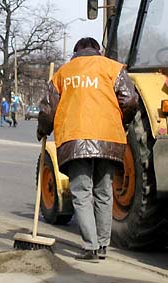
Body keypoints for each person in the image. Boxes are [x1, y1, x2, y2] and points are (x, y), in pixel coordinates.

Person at [37, 37, 138, 262]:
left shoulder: (63, 73)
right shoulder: (113, 68)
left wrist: (42, 129)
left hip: (75, 138)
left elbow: (47, 110)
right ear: (98, 50)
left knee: (81, 193)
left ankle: (90, 247)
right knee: (104, 192)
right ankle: (102, 246)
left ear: (75, 52)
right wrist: (123, 122)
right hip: (109, 138)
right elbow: (130, 100)